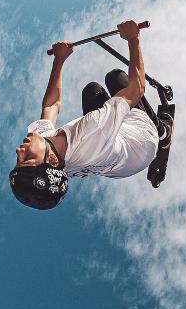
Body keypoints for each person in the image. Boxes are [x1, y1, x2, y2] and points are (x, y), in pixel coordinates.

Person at [9, 20, 172, 210]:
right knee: (116, 78)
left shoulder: (47, 148)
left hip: (118, 165)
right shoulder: (93, 132)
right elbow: (136, 89)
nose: (19, 152)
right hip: (142, 142)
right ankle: (163, 133)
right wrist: (133, 38)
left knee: (92, 91)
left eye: (18, 161)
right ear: (52, 159)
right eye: (27, 158)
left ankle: (145, 133)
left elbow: (51, 105)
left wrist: (59, 60)